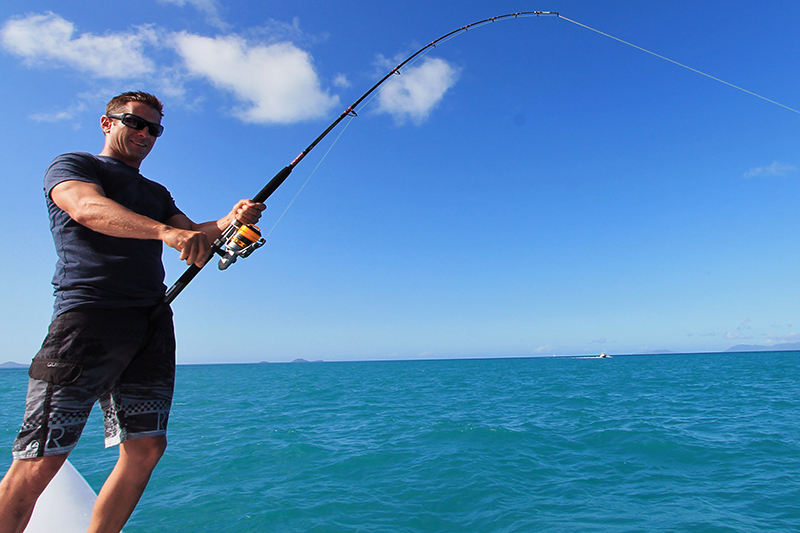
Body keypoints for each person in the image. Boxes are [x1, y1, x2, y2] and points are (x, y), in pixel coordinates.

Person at [0, 91, 265, 533]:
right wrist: (165, 233)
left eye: (154, 129)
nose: (145, 134)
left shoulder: (156, 192)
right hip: (88, 318)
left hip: (151, 321)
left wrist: (230, 219)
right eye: (134, 123)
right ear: (107, 123)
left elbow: (195, 235)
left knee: (146, 449)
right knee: (41, 457)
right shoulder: (74, 165)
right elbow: (87, 208)